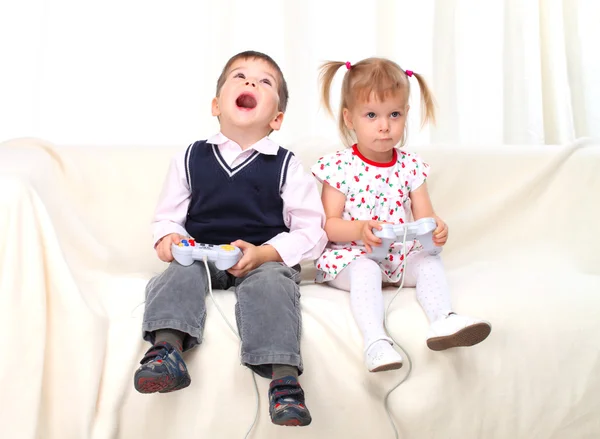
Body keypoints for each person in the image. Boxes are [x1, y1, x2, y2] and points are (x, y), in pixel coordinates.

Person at [134, 50, 327, 427]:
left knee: (273, 286)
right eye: (239, 76)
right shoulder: (190, 158)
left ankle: (284, 381)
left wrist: (267, 253)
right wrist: (169, 237)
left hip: (259, 258)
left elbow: (312, 230)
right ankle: (166, 352)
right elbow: (167, 216)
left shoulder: (286, 165)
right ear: (215, 104)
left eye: (264, 81)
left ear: (277, 118)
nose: (250, 82)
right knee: (177, 274)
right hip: (201, 254)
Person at [311, 58, 491, 372]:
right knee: (366, 269)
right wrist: (360, 229)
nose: (385, 125)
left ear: (406, 114)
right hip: (351, 258)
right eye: (371, 115)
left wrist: (436, 229)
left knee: (428, 261)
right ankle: (376, 342)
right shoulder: (338, 166)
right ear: (349, 118)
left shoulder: (410, 166)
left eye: (394, 114)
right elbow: (330, 226)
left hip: (396, 257)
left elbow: (426, 217)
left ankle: (443, 320)